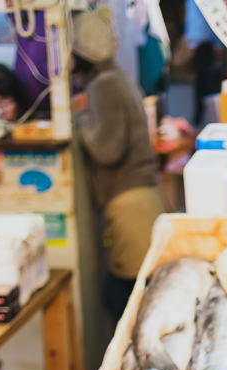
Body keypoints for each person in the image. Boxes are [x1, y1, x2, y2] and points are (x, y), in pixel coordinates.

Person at [71, 8, 166, 321]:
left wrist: (82, 118)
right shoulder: (117, 77)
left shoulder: (103, 85)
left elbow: (108, 150)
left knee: (126, 300)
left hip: (131, 204)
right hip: (139, 201)